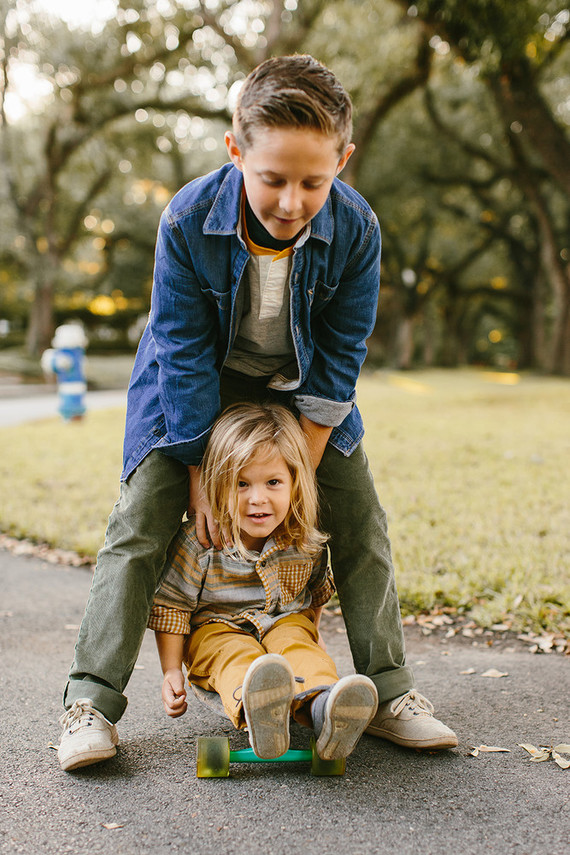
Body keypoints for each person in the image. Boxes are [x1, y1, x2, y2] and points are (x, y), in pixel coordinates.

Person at [57, 54, 457, 773]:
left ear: (343, 160)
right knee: (140, 520)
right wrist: (201, 474)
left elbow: (341, 354)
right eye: (272, 178)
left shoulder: (358, 229)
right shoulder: (187, 219)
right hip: (191, 392)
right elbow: (181, 350)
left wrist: (298, 468)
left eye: (314, 182)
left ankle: (390, 692)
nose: (292, 201)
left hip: (303, 395)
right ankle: (91, 703)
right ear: (236, 150)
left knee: (360, 517)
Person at [149, 402, 378, 761]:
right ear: (218, 486)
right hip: (216, 629)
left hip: (285, 622)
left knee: (299, 648)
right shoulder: (202, 542)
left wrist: (311, 635)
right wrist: (170, 671)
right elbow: (172, 608)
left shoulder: (303, 539)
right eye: (241, 484)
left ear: (294, 483)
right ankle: (258, 708)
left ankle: (326, 710)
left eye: (273, 482)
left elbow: (315, 594)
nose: (258, 499)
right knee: (234, 654)